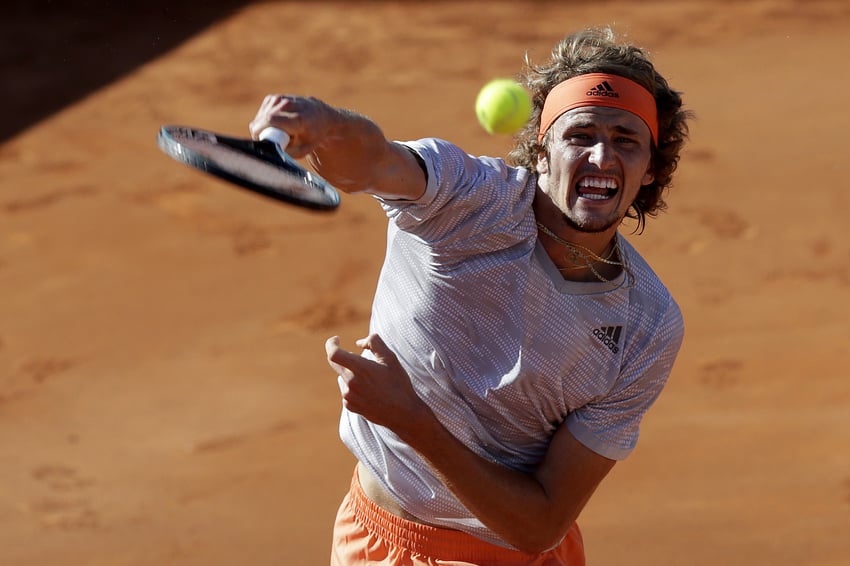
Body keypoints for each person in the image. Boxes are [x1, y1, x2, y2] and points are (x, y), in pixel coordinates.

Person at [249, 27, 691, 566]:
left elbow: (541, 525)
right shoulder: (466, 202)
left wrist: (412, 421)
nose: (602, 157)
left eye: (626, 140)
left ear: (649, 170)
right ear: (540, 150)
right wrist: (321, 125)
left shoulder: (648, 325)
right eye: (580, 136)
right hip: (384, 544)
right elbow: (373, 159)